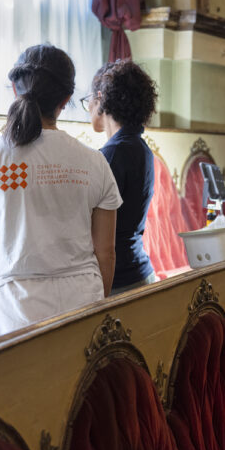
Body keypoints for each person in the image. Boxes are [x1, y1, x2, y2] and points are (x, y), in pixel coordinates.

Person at [0, 44, 122, 341]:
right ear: (67, 99)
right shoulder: (95, 162)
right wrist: (94, 301)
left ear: (15, 90)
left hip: (12, 312)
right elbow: (106, 254)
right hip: (83, 305)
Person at [83, 60, 158, 293]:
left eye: (87, 102)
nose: (88, 109)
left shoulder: (113, 154)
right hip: (140, 271)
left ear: (100, 99)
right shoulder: (139, 147)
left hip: (119, 280)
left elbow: (89, 223)